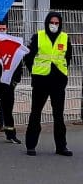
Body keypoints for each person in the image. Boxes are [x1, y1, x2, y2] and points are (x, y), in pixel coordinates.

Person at [24, 12, 73, 156]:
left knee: (59, 115)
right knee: (35, 113)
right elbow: (29, 57)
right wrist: (34, 72)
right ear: (47, 23)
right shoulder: (38, 36)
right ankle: (31, 145)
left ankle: (61, 147)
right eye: (52, 22)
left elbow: (68, 57)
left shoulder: (65, 37)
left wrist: (63, 75)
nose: (54, 25)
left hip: (58, 82)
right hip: (41, 80)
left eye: (57, 23)